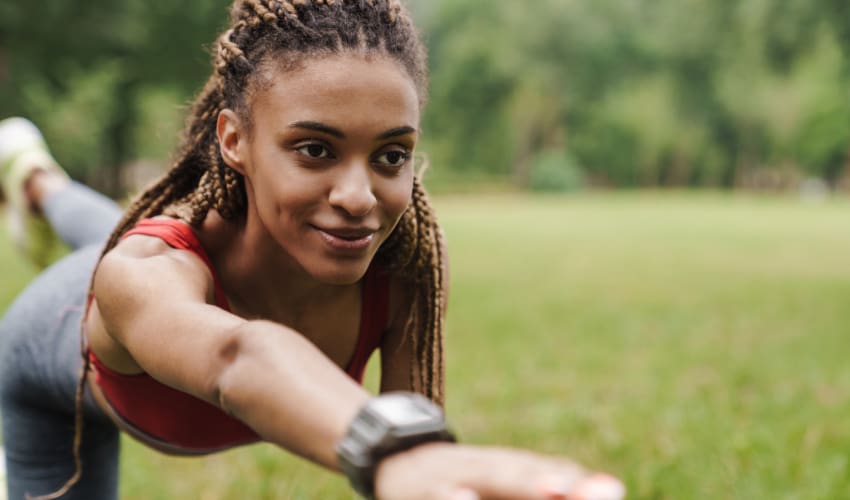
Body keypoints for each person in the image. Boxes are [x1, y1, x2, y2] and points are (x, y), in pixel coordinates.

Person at [0, 1, 626, 499]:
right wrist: (388, 447)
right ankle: (39, 182)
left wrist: (420, 462)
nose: (359, 198)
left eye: (390, 155)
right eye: (316, 149)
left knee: (105, 224)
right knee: (109, 245)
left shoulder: (404, 270)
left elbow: (420, 458)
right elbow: (236, 354)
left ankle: (34, 177)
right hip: (43, 363)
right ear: (234, 139)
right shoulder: (144, 274)